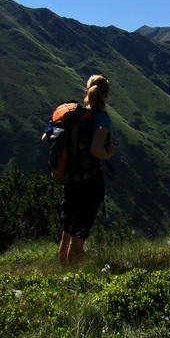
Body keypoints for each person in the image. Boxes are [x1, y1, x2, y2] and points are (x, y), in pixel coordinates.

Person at [42, 75, 115, 266]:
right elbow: (96, 149)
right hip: (89, 180)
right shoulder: (101, 119)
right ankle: (74, 278)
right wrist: (108, 153)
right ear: (106, 95)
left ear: (86, 93)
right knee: (80, 231)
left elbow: (45, 138)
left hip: (69, 178)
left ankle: (63, 272)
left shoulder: (72, 116)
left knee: (67, 229)